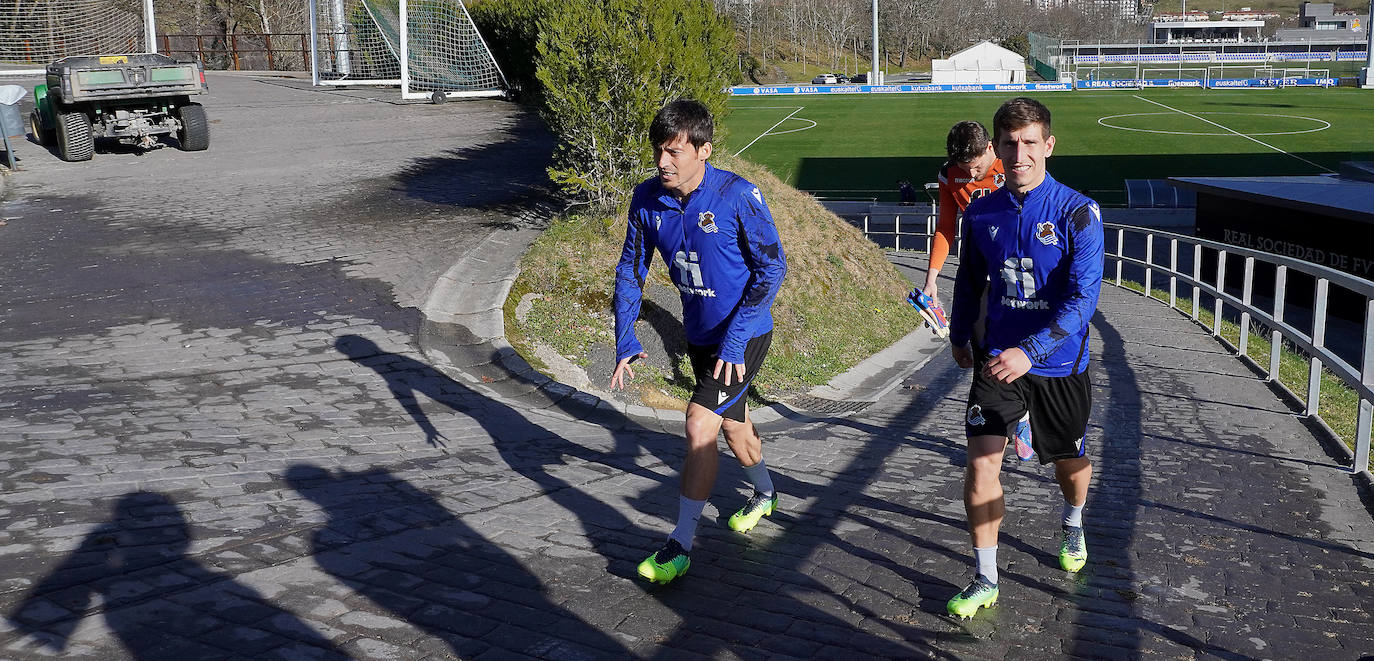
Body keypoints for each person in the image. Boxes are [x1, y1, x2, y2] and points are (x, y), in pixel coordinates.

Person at [611, 99, 788, 585]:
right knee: (735, 430)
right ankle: (766, 494)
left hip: (745, 335)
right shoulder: (646, 199)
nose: (662, 162)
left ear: (703, 150)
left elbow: (772, 268)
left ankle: (680, 545)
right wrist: (625, 336)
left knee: (698, 425)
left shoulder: (738, 195)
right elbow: (630, 270)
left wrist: (734, 342)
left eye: (673, 152)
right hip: (701, 339)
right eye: (658, 151)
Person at [945, 97, 1104, 619]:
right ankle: (985, 576)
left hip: (1058, 363)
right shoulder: (981, 210)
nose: (1020, 154)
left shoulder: (1077, 212)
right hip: (998, 364)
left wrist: (1030, 352)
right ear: (996, 148)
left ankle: (1074, 519)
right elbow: (970, 280)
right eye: (1010, 143)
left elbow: (1083, 302)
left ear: (1048, 145)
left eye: (1029, 142)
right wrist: (962, 335)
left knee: (1069, 464)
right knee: (981, 465)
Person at [911, 121, 1005, 337]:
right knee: (978, 344)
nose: (971, 175)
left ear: (990, 147)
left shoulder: (1011, 165)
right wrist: (931, 280)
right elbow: (945, 227)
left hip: (1015, 269)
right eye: (965, 168)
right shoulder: (948, 173)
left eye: (976, 166)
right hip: (976, 268)